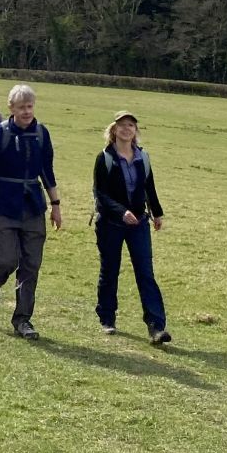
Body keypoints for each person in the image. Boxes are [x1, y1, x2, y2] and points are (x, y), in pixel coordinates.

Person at [0, 83, 60, 339]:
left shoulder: (42, 134)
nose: (27, 111)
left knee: (31, 265)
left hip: (33, 207)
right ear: (11, 108)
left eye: (30, 106)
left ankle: (22, 320)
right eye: (22, 107)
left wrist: (56, 206)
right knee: (6, 260)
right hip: (3, 206)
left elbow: (47, 171)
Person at [92, 111, 169, 343]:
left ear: (136, 131)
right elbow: (100, 194)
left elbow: (149, 186)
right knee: (110, 270)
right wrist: (121, 212)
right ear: (114, 130)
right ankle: (107, 318)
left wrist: (157, 213)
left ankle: (156, 326)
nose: (126, 129)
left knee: (145, 273)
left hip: (139, 223)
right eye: (122, 125)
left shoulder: (142, 157)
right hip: (110, 223)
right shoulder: (104, 157)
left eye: (131, 125)